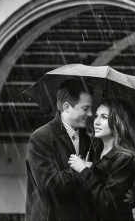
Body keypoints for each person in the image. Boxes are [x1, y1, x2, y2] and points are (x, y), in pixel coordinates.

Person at [25, 79, 95, 221]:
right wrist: (82, 171)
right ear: (67, 107)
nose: (90, 114)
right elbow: (51, 185)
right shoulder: (40, 138)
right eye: (86, 108)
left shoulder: (87, 140)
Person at [67, 97, 135, 221]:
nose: (96, 122)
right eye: (96, 116)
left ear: (118, 122)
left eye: (104, 117)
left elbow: (106, 204)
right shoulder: (93, 149)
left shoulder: (125, 159)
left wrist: (84, 170)